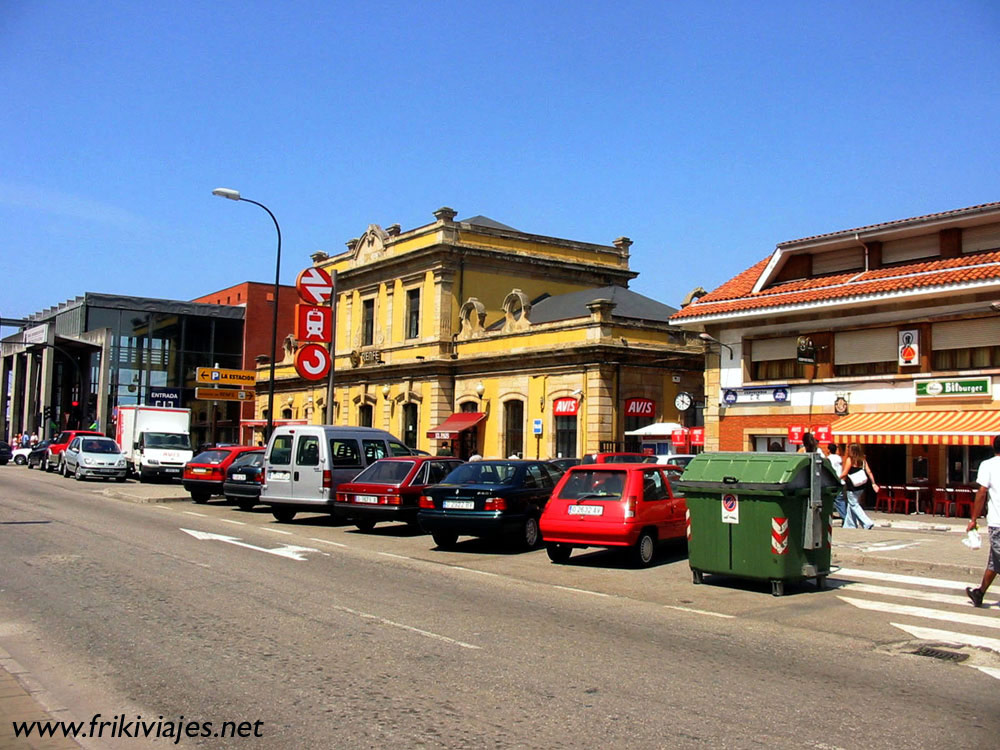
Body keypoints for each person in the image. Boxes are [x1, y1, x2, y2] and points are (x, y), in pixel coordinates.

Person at [965, 434, 1000, 607]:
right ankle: (979, 593)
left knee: (998, 557)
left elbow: (981, 492)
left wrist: (973, 518)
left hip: (998, 521)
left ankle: (980, 593)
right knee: (995, 560)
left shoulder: (988, 465)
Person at [839, 443, 877, 529]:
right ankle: (849, 525)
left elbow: (845, 473)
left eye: (848, 449)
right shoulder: (862, 460)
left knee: (854, 505)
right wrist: (873, 483)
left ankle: (867, 522)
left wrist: (837, 478)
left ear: (851, 450)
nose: (847, 450)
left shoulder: (850, 460)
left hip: (852, 486)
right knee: (851, 505)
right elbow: (869, 472)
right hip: (861, 486)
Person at [826, 443, 848, 520]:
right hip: (840, 481)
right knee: (840, 500)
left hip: (832, 482)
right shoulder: (839, 458)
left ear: (829, 450)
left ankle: (843, 517)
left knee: (829, 500)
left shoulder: (828, 459)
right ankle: (844, 517)